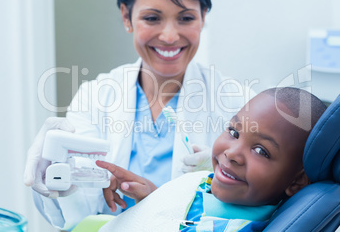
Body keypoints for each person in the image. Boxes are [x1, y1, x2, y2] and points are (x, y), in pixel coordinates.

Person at [23, 0, 253, 230]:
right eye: (152, 18)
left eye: (186, 18)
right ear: (126, 16)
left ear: (203, 16)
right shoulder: (95, 99)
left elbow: (258, 212)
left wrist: (202, 189)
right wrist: (54, 167)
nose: (169, 35)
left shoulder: (239, 104)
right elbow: (71, 215)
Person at [94, 87, 327, 231]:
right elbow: (181, 215)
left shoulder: (236, 227)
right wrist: (156, 199)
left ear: (296, 182)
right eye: (234, 132)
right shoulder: (208, 184)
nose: (233, 153)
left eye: (261, 151)